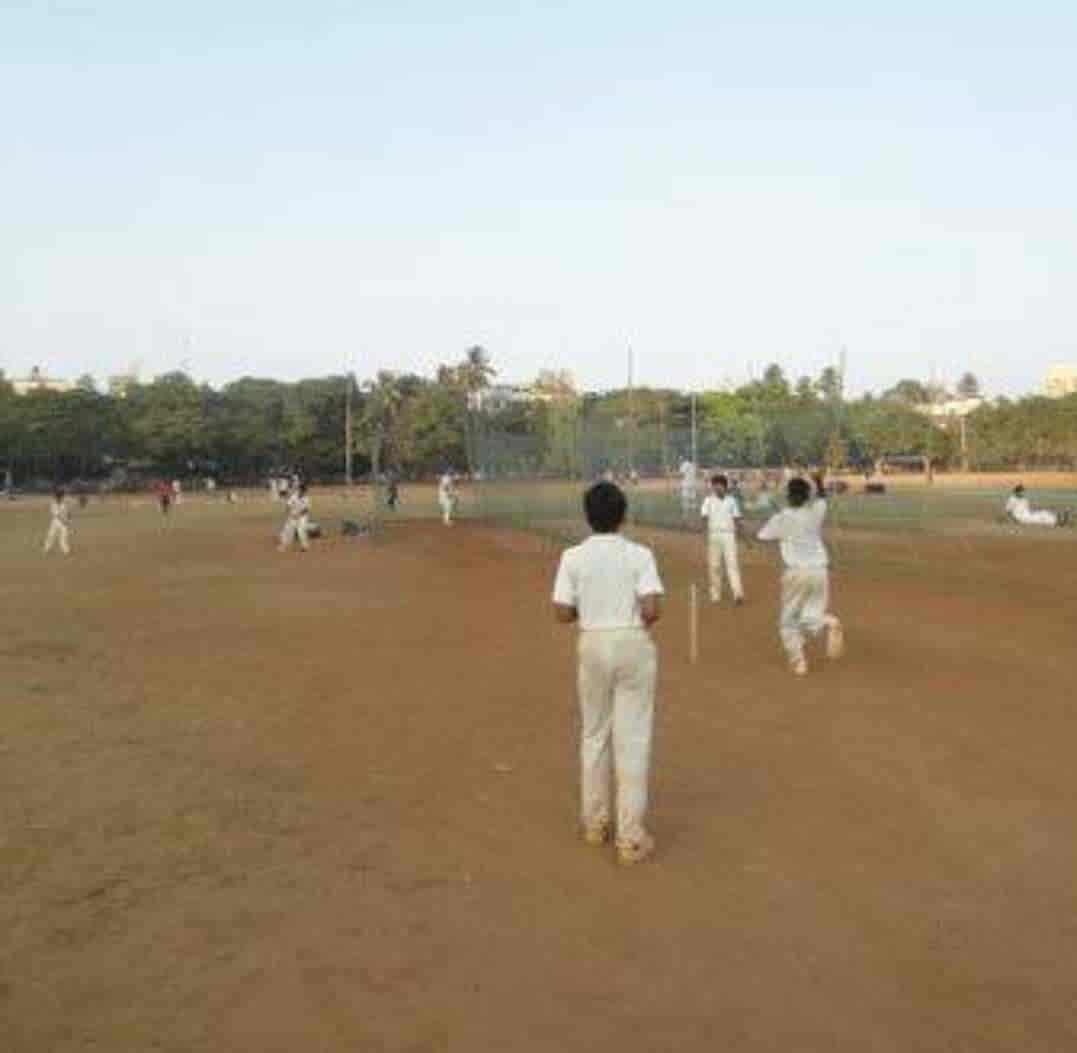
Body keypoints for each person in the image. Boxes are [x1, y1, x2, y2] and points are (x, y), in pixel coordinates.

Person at [552, 481, 664, 866]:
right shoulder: (639, 554)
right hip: (632, 641)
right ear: (623, 515)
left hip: (592, 642)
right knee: (632, 738)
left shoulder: (572, 557)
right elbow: (652, 609)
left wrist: (590, 611)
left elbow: (561, 612)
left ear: (587, 516)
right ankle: (630, 838)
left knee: (594, 733)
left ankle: (595, 823)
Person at [756, 471, 844, 676]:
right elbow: (822, 498)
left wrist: (777, 520)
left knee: (788, 621)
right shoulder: (814, 513)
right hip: (820, 571)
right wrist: (818, 480)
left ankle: (799, 662)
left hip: (796, 572)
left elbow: (762, 536)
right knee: (812, 614)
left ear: (788, 496)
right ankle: (829, 622)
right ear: (806, 496)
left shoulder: (780, 518)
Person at [700, 473, 746, 605]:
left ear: (725, 487)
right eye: (715, 486)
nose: (717, 488)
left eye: (720, 486)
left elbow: (737, 519)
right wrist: (704, 533)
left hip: (729, 535)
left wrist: (745, 538)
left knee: (732, 565)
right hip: (713, 534)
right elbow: (704, 518)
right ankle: (715, 594)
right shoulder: (708, 500)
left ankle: (738, 594)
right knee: (715, 566)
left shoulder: (732, 501)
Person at [1004, 485, 1069, 527]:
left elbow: (1027, 508)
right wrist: (1014, 521)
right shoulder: (1012, 499)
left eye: (1023, 491)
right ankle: (1058, 522)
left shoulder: (1024, 499)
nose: (1023, 492)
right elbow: (1008, 511)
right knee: (1039, 519)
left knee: (1043, 512)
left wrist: (1032, 512)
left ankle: (1058, 519)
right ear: (1017, 492)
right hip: (1021, 518)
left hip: (1028, 514)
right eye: (1021, 491)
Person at [279, 483, 311, 551]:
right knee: (287, 530)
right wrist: (289, 513)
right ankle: (284, 545)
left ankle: (304, 546)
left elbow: (306, 510)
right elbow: (288, 505)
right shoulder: (294, 496)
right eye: (300, 490)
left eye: (303, 491)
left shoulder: (306, 499)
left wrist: (299, 515)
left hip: (302, 517)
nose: (301, 491)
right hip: (292, 516)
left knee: (301, 530)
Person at [43, 487, 71, 555]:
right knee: (51, 535)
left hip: (64, 522)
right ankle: (46, 549)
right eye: (62, 495)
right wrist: (64, 521)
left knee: (63, 537)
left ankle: (66, 551)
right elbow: (57, 515)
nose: (62, 497)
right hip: (56, 521)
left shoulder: (65, 503)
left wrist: (68, 519)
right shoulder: (53, 504)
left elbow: (68, 512)